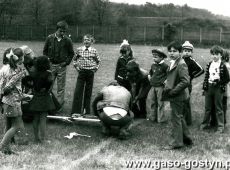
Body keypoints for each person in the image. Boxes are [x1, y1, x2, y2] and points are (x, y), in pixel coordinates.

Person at [161, 41, 192, 150]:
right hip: (176, 94)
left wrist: (173, 91)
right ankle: (187, 138)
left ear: (180, 52)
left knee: (176, 119)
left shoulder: (181, 63)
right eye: (170, 51)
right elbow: (174, 77)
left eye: (175, 51)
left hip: (178, 95)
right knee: (179, 117)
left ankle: (176, 143)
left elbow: (185, 81)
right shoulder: (173, 62)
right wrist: (167, 81)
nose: (172, 53)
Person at [0, 48, 29, 154]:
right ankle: (2, 146)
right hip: (13, 102)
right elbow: (8, 87)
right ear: (21, 58)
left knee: (8, 125)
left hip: (5, 101)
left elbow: (2, 85)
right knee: (17, 126)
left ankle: (6, 149)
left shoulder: (4, 68)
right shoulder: (18, 71)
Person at [43, 20, 74, 110]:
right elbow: (45, 51)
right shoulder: (49, 38)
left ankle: (59, 106)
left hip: (61, 66)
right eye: (61, 31)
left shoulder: (68, 40)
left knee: (61, 87)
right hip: (51, 66)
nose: (62, 33)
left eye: (64, 31)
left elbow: (71, 53)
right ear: (57, 29)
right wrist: (47, 60)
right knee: (49, 85)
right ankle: (47, 103)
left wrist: (66, 63)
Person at [201, 46, 230, 133]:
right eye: (213, 54)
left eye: (216, 54)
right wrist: (205, 86)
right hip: (209, 87)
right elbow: (206, 76)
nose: (214, 56)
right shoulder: (210, 64)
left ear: (221, 55)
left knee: (218, 107)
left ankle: (220, 127)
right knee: (208, 108)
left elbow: (227, 78)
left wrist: (218, 82)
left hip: (218, 89)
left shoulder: (223, 66)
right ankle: (204, 125)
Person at [72, 34, 101, 116]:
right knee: (78, 91)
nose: (86, 41)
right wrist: (77, 68)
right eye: (85, 40)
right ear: (83, 41)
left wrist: (94, 69)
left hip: (90, 73)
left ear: (92, 42)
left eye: (88, 40)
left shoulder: (94, 51)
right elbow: (74, 60)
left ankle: (86, 110)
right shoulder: (79, 50)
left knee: (88, 92)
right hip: (81, 73)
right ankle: (76, 111)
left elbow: (98, 61)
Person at [29, 56, 55, 143]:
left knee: (35, 119)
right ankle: (43, 139)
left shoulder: (33, 73)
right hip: (44, 97)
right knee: (43, 119)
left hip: (36, 97)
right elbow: (50, 88)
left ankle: (36, 138)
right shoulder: (49, 74)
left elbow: (31, 84)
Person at [182, 41, 204, 125]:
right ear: (182, 51)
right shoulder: (180, 60)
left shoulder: (192, 61)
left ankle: (188, 121)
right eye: (185, 51)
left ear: (191, 52)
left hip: (187, 85)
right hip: (179, 84)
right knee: (180, 101)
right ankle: (181, 117)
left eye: (189, 51)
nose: (186, 53)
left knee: (186, 101)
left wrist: (192, 76)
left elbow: (201, 69)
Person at [146, 49, 168, 123]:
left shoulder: (165, 66)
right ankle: (152, 117)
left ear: (161, 57)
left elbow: (168, 74)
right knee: (151, 101)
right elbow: (151, 72)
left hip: (160, 87)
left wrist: (165, 80)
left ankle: (161, 119)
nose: (154, 58)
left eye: (156, 57)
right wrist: (149, 76)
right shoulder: (153, 65)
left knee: (160, 103)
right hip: (153, 86)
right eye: (153, 57)